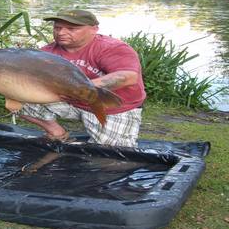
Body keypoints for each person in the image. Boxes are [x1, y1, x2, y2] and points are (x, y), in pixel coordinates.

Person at [19, 9, 146, 147]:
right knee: (17, 96)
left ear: (94, 29)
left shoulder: (111, 48)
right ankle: (56, 132)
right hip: (69, 101)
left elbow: (127, 77)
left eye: (71, 28)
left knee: (112, 154)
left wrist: (79, 88)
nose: (61, 33)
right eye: (57, 27)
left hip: (113, 106)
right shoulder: (46, 52)